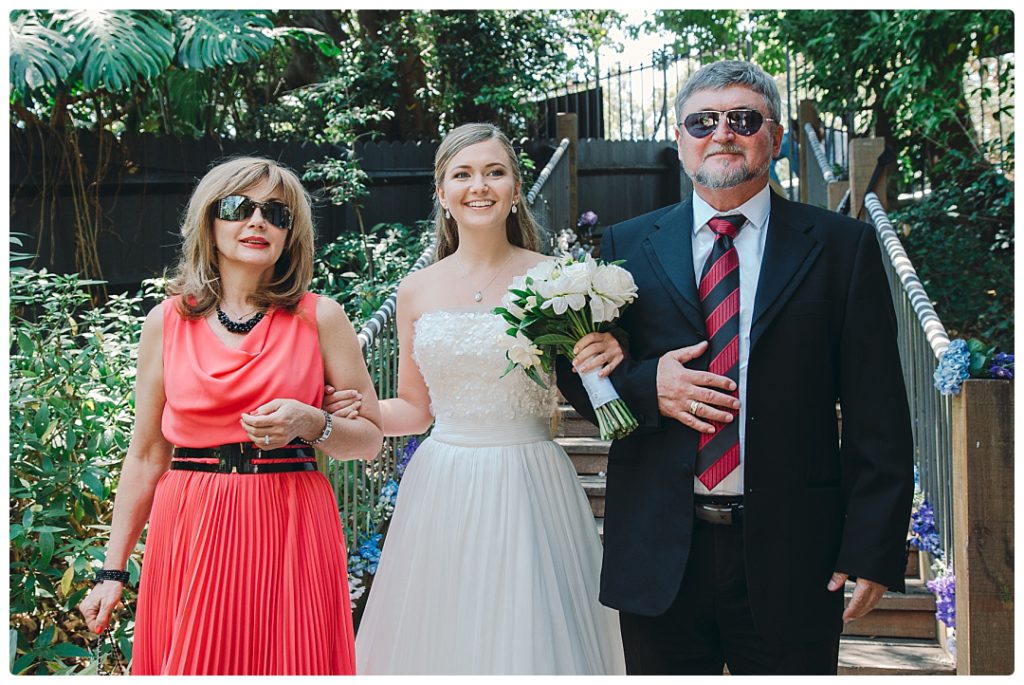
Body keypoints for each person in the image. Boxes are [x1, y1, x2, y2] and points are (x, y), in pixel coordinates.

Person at [557, 60, 914, 675]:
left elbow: (876, 410)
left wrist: (873, 548)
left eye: (743, 119)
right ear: (679, 142)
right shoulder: (623, 247)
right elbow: (584, 377)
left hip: (795, 552)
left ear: (773, 138)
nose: (722, 132)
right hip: (660, 552)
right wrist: (650, 387)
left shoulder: (840, 248)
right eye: (703, 121)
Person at [326, 122, 626, 674]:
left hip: (530, 479)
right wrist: (352, 410)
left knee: (530, 637)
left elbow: (590, 385)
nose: (479, 186)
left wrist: (605, 353)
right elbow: (414, 410)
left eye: (494, 172)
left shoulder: (556, 278)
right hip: (443, 484)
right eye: (462, 174)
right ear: (442, 194)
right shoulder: (416, 288)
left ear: (515, 190)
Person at [77, 157, 384, 675]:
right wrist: (112, 571)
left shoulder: (321, 317)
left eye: (277, 214)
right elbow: (148, 453)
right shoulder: (166, 322)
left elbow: (370, 440)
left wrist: (313, 423)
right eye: (239, 207)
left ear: (291, 235)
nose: (257, 221)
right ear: (209, 222)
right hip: (191, 521)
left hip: (290, 518)